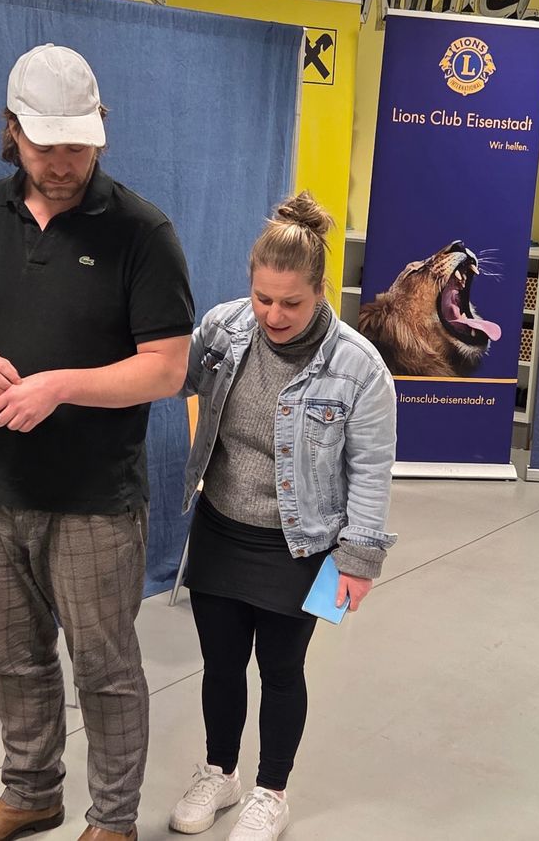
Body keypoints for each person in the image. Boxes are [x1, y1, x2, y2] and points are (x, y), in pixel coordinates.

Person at [0, 44, 194, 841]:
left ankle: (112, 821)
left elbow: (167, 370)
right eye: (47, 146)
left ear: (100, 130)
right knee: (13, 657)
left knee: (106, 671)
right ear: (12, 132)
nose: (65, 162)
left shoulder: (144, 233)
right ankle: (31, 792)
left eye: (80, 144)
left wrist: (60, 385)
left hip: (93, 501)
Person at [169, 192, 397, 840]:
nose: (273, 314)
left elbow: (373, 469)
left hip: (307, 547)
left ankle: (271, 791)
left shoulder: (358, 367)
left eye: (291, 302)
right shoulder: (221, 329)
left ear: (320, 289)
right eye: (263, 298)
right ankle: (220, 772)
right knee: (218, 663)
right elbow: (168, 376)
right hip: (220, 526)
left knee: (281, 669)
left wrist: (359, 560)